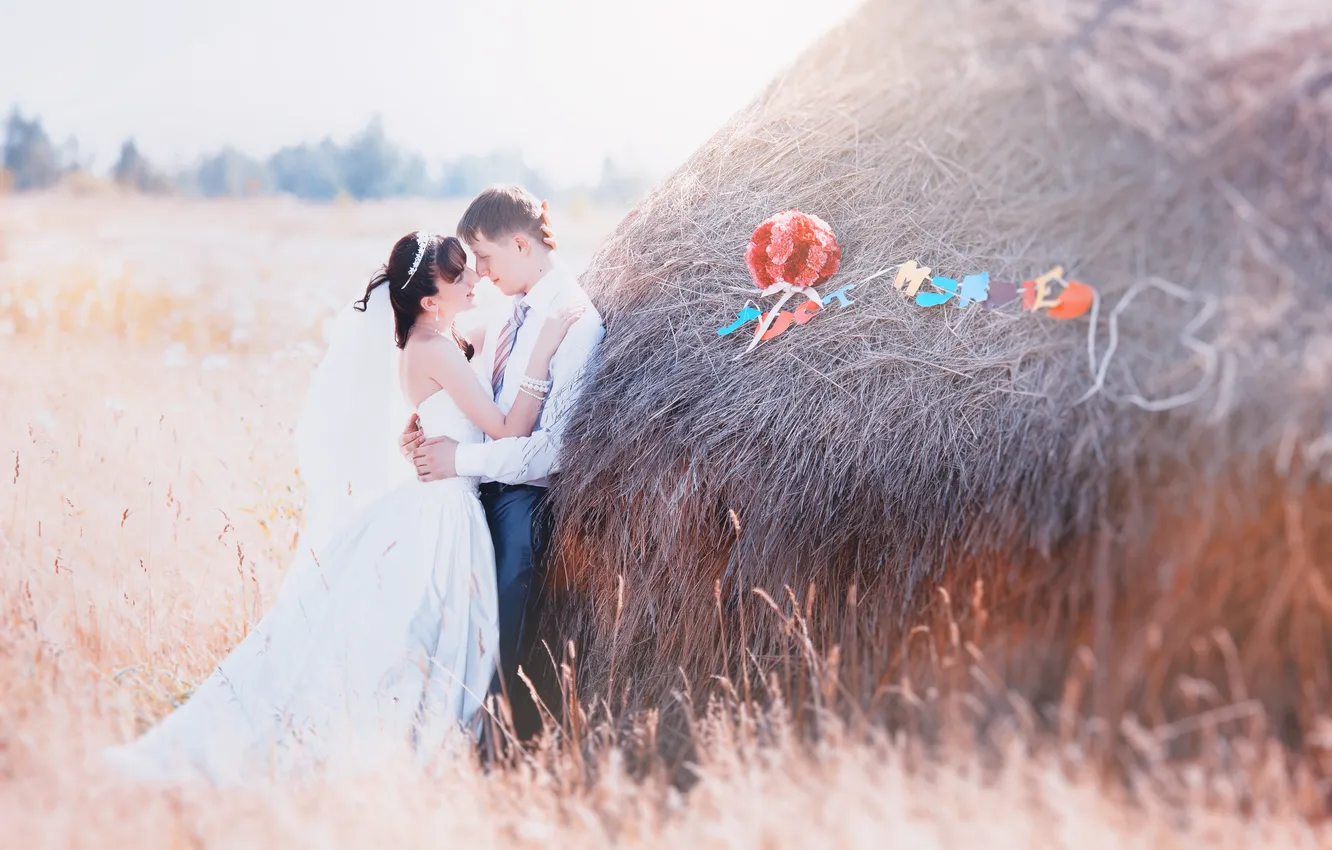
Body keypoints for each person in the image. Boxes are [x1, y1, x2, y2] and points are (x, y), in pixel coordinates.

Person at [103, 232, 582, 784]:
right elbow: (508, 428)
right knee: (412, 638)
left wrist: (429, 426)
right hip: (443, 512)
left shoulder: (431, 340)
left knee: (411, 636)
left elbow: (479, 355)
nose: (475, 277)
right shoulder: (437, 349)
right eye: (460, 274)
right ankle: (382, 753)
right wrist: (545, 349)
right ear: (429, 300)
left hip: (441, 500)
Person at [403, 186, 604, 733]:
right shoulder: (511, 309)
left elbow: (552, 452)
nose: (481, 273)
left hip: (521, 501)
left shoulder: (574, 322)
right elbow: (477, 395)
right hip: (475, 489)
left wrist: (458, 459)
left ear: (520, 244)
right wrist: (432, 422)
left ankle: (498, 749)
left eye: (485, 258)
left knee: (500, 641)